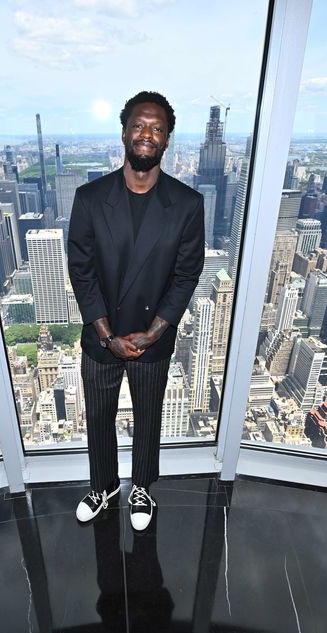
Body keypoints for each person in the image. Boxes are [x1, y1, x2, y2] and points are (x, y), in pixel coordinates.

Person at [67, 90, 205, 530]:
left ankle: (142, 486)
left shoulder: (187, 204)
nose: (147, 134)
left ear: (167, 141)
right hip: (101, 339)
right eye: (140, 126)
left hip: (153, 339)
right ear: (125, 132)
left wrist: (152, 333)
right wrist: (108, 336)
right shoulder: (90, 198)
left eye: (157, 129)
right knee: (99, 418)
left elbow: (186, 276)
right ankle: (103, 486)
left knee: (148, 417)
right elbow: (81, 271)